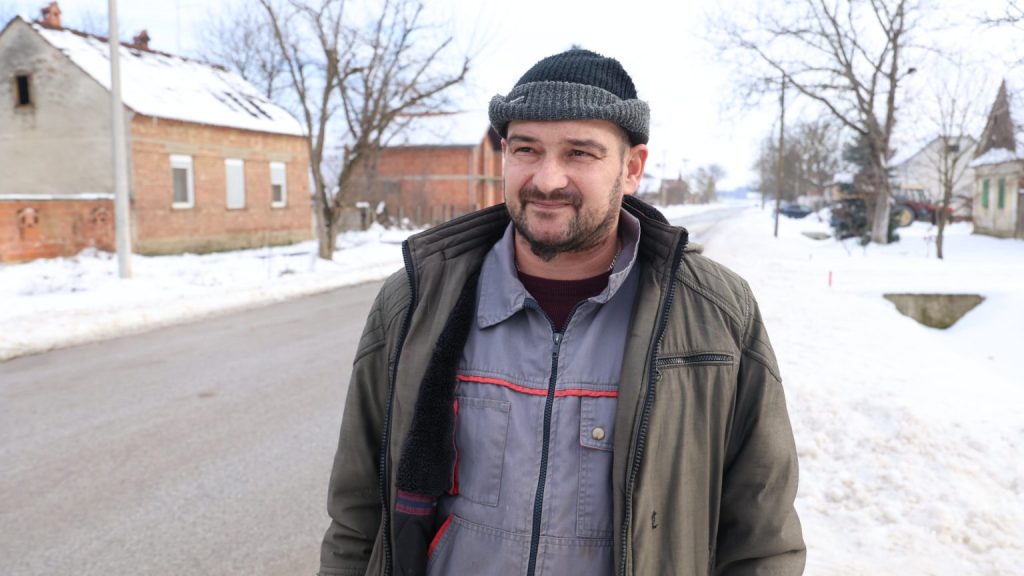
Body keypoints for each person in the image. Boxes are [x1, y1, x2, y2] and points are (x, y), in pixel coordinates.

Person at [318, 48, 805, 576]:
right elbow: (356, 521)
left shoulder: (715, 317)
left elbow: (762, 543)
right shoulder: (415, 303)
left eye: (580, 153)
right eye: (526, 149)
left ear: (632, 168)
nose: (548, 180)